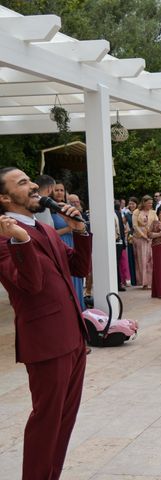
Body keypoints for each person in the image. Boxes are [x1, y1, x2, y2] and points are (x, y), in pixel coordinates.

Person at [0, 167, 92, 480]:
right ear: (4, 197)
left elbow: (78, 267)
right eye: (23, 183)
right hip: (46, 343)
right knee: (46, 422)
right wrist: (21, 240)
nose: (34, 186)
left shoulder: (47, 229)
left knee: (64, 421)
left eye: (31, 180)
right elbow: (32, 284)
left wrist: (79, 230)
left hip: (74, 338)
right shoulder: (5, 239)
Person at [51, 182, 85, 310]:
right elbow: (48, 233)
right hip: (58, 245)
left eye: (62, 190)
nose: (59, 192)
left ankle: (79, 308)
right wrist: (69, 228)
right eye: (56, 190)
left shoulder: (68, 209)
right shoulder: (47, 211)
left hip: (73, 243)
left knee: (76, 276)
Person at [132, 195, 157, 289]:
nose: (150, 204)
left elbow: (157, 224)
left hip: (151, 238)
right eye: (149, 203)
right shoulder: (136, 212)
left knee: (151, 260)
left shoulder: (153, 212)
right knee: (142, 260)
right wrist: (143, 235)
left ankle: (151, 281)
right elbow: (135, 226)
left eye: (151, 203)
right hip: (140, 238)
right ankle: (144, 282)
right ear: (144, 202)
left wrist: (153, 234)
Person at [124, 197, 138, 286]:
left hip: (140, 236)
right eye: (130, 203)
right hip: (130, 237)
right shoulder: (127, 214)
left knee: (139, 258)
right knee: (131, 257)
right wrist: (126, 231)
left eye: (133, 203)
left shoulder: (139, 213)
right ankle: (133, 280)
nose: (131, 205)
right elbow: (122, 224)